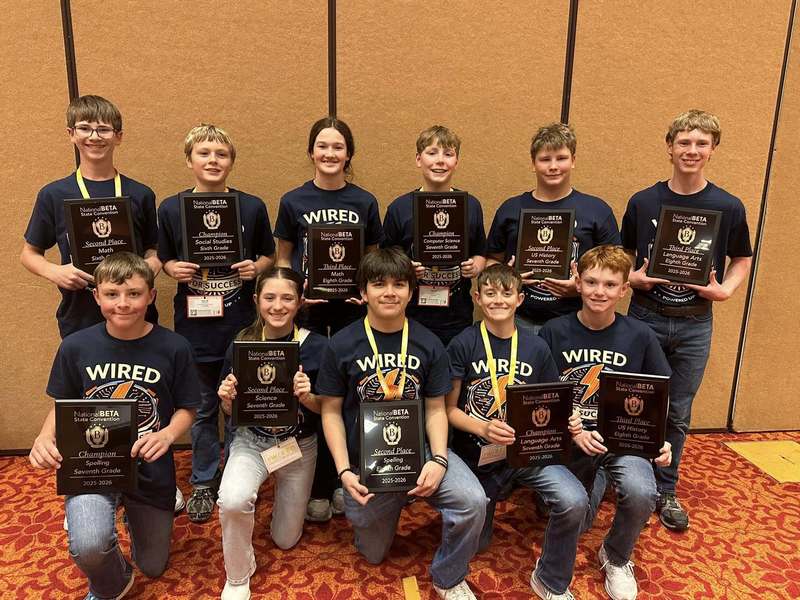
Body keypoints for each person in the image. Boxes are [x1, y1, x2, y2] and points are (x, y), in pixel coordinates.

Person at [28, 252, 198, 600]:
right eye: (112, 294)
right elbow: (63, 403)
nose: (123, 303)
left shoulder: (175, 347)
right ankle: (113, 582)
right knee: (89, 546)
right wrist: (44, 437)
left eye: (134, 293)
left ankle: (131, 515)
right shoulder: (76, 346)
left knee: (152, 564)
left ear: (151, 296)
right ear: (96, 297)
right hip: (93, 465)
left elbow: (188, 408)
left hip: (149, 465)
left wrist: (167, 434)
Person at [318, 248, 486, 600]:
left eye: (399, 284)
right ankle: (392, 504)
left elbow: (436, 407)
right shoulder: (341, 344)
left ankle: (448, 577)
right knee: (374, 553)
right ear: (363, 292)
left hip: (421, 449)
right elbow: (331, 411)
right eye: (379, 284)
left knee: (473, 501)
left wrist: (439, 458)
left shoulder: (428, 342)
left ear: (412, 290)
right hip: (366, 459)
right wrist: (344, 472)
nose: (390, 292)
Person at [621, 110, 752, 532]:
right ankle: (627, 482)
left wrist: (726, 290)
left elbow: (742, 257)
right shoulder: (643, 201)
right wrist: (630, 278)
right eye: (684, 142)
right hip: (645, 316)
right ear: (669, 147)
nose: (691, 150)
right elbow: (622, 254)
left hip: (695, 322)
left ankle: (665, 488)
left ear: (713, 150)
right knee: (632, 401)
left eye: (700, 143)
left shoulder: (727, 205)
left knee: (677, 411)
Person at [446, 264, 588, 600]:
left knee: (574, 498)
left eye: (506, 293)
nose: (498, 300)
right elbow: (447, 410)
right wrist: (482, 426)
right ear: (477, 298)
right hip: (476, 453)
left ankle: (550, 579)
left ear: (520, 298)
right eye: (490, 293)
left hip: (527, 451)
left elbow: (553, 403)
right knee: (478, 544)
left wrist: (570, 420)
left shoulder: (536, 347)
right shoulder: (463, 343)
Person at [540, 245, 673, 600]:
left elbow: (659, 393)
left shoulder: (640, 335)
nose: (600, 291)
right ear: (578, 283)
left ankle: (616, 556)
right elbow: (542, 396)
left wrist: (660, 439)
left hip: (623, 438)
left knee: (644, 491)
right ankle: (595, 478)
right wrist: (576, 430)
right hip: (571, 439)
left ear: (624, 290)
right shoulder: (553, 331)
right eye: (592, 282)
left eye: (610, 284)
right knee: (577, 518)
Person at [158, 124, 276, 523]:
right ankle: (205, 481)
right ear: (189, 159)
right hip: (195, 327)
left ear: (232, 161)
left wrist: (255, 267)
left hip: (241, 323)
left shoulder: (252, 206)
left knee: (246, 403)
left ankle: (246, 476)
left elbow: (268, 256)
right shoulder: (171, 208)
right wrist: (173, 266)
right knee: (204, 407)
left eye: (221, 154)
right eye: (204, 153)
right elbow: (163, 258)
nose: (213, 161)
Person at [273, 117, 383, 522]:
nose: (330, 154)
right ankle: (319, 484)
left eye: (338, 147)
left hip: (354, 311)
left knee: (352, 395)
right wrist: (294, 292)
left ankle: (345, 479)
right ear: (311, 152)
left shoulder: (365, 202)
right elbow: (284, 257)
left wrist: (366, 290)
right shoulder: (293, 201)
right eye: (322, 146)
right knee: (314, 396)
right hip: (312, 315)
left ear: (348, 153)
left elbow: (373, 258)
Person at [215, 267, 329, 600]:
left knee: (285, 539)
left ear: (300, 302)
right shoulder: (242, 343)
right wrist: (226, 401)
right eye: (269, 297)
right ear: (256, 300)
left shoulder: (318, 346)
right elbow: (227, 412)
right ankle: (237, 576)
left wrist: (308, 397)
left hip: (298, 444)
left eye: (287, 298)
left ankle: (285, 500)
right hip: (252, 441)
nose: (277, 306)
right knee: (233, 500)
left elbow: (328, 410)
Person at [21, 94, 161, 339]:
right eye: (85, 128)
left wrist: (149, 268)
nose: (94, 137)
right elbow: (29, 254)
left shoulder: (140, 193)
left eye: (104, 129)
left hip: (136, 315)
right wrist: (55, 272)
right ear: (71, 134)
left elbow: (155, 249)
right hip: (79, 317)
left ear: (118, 137)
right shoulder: (53, 194)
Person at [486, 123, 620, 332]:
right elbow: (491, 260)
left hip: (575, 322)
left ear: (573, 160)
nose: (553, 166)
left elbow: (616, 270)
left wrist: (581, 286)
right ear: (533, 163)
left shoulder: (597, 210)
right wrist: (506, 278)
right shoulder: (511, 209)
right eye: (545, 159)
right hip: (517, 320)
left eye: (561, 158)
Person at [382, 125, 487, 346]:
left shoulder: (471, 205)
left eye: (448, 154)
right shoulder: (399, 208)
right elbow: (385, 260)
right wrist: (405, 269)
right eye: (432, 153)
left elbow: (480, 252)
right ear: (419, 159)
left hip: (457, 314)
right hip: (411, 313)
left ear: (456, 162)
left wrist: (476, 267)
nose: (440, 161)